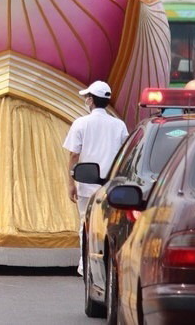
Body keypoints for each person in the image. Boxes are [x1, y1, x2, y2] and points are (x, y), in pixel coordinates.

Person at [63, 80, 128, 274]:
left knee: (86, 224)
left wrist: (70, 184)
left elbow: (74, 155)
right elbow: (124, 154)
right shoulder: (119, 125)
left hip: (86, 185)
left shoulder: (81, 123)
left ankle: (86, 266)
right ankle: (109, 265)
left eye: (87, 97)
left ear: (91, 100)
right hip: (111, 186)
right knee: (110, 225)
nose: (86, 100)